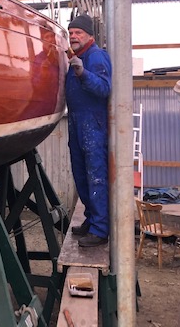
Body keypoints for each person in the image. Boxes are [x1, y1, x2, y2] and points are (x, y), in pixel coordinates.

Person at [65, 14, 112, 247]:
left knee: (96, 176)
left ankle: (100, 230)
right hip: (76, 123)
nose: (73, 36)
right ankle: (91, 219)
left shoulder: (96, 56)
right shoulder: (77, 57)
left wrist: (83, 73)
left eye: (78, 33)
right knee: (81, 176)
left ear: (90, 35)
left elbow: (104, 88)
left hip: (92, 124)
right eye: (70, 33)